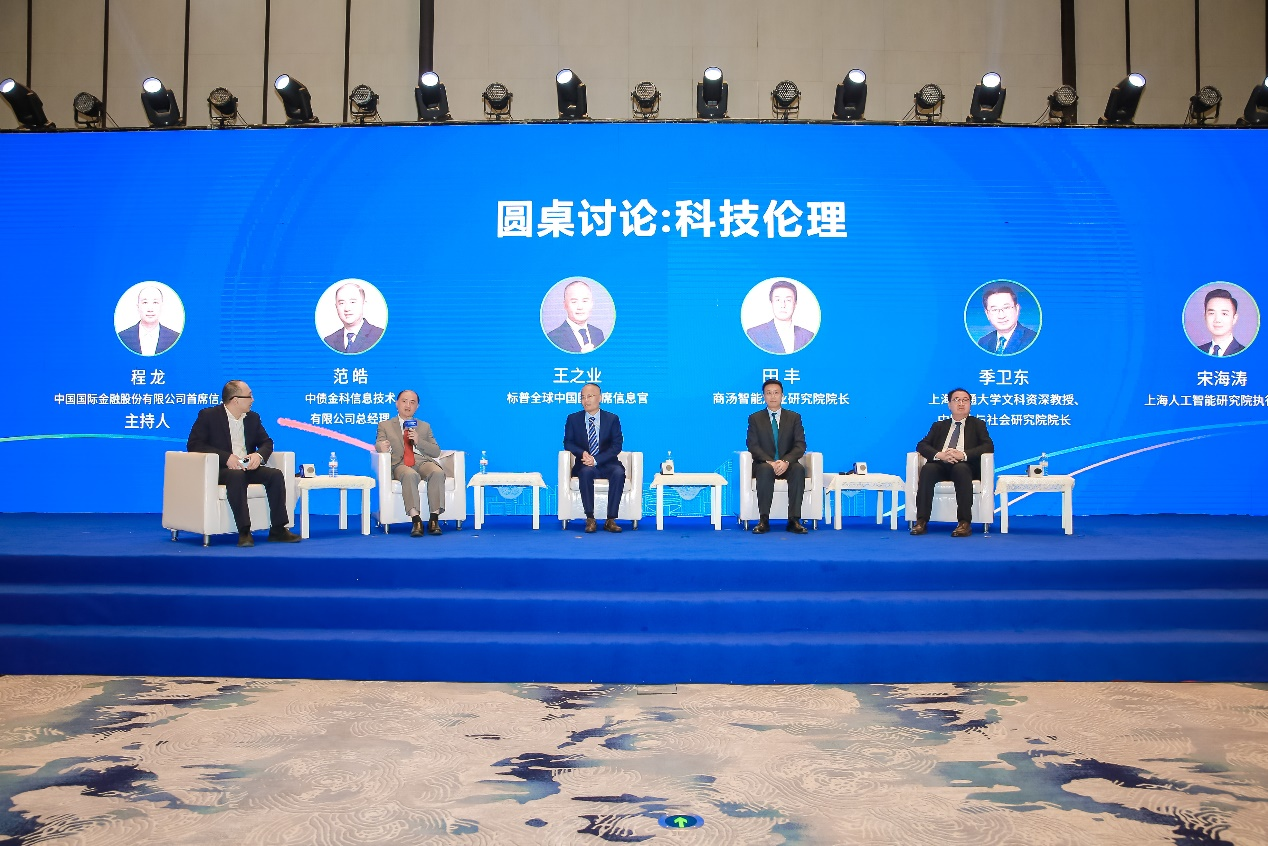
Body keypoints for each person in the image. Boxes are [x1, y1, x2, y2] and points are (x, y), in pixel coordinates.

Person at [186, 380, 301, 547]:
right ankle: (244, 531)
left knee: (275, 475)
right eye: (249, 396)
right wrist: (226, 457)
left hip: (247, 467)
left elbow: (267, 442)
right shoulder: (209, 416)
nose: (252, 400)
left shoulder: (252, 418)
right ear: (235, 400)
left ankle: (278, 529)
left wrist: (258, 456)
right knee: (236, 476)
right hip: (220, 469)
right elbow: (195, 445)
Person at [910, 388, 994, 537]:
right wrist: (940, 455)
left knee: (961, 469)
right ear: (949, 405)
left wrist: (963, 455)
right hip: (941, 464)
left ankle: (964, 523)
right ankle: (921, 521)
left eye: (965, 400)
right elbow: (922, 445)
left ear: (970, 404)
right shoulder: (939, 426)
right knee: (928, 469)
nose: (961, 403)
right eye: (957, 400)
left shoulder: (978, 424)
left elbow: (988, 446)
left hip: (965, 465)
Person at [376, 390, 448, 537]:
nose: (408, 405)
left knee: (437, 472)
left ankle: (434, 519)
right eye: (404, 401)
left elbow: (436, 451)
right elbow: (379, 443)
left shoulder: (424, 426)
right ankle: (416, 520)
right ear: (396, 404)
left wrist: (418, 441)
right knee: (410, 475)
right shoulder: (385, 425)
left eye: (412, 402)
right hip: (400, 463)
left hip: (422, 461)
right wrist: (381, 447)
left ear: (417, 407)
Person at [745, 378, 808, 534]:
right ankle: (763, 520)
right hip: (764, 464)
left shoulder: (794, 417)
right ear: (763, 396)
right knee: (765, 469)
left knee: (798, 469)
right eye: (768, 393)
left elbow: (800, 445)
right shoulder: (755, 418)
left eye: (776, 393)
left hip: (787, 464)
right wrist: (769, 461)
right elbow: (752, 445)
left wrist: (786, 461)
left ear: (782, 395)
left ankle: (794, 520)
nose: (772, 396)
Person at [563, 383, 625, 533]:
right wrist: (582, 453)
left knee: (619, 473)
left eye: (589, 396)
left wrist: (596, 459)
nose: (586, 400)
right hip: (584, 463)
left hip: (607, 463)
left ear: (600, 398)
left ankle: (611, 519)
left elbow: (616, 445)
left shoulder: (612, 419)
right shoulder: (573, 419)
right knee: (585, 472)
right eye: (583, 397)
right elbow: (568, 442)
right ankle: (590, 518)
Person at [746, 280, 815, 355]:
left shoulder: (808, 336)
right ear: (771, 303)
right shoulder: (754, 334)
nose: (783, 305)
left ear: (795, 304)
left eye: (788, 300)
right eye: (778, 300)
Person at [546, 279, 607, 353]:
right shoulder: (554, 338)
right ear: (565, 305)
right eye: (574, 302)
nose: (580, 307)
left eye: (585, 301)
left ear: (591, 304)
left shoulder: (598, 333)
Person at [118, 284, 180, 356]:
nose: (150, 309)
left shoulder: (174, 338)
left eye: (155, 302)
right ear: (138, 307)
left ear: (162, 306)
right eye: (145, 302)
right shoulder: (123, 337)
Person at [323, 281, 384, 353]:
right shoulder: (329, 341)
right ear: (336, 307)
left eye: (352, 302)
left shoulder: (379, 336)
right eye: (341, 303)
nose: (347, 308)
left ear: (364, 304)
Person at [976, 284, 1038, 355]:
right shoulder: (983, 342)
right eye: (994, 310)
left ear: (1017, 309)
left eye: (1006, 308)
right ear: (987, 314)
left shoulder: (1033, 340)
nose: (1001, 316)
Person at [1196, 288, 1245, 356]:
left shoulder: (1245, 353)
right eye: (1211, 313)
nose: (1217, 320)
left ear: (1234, 318)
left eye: (1224, 314)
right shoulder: (1196, 351)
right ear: (1205, 316)